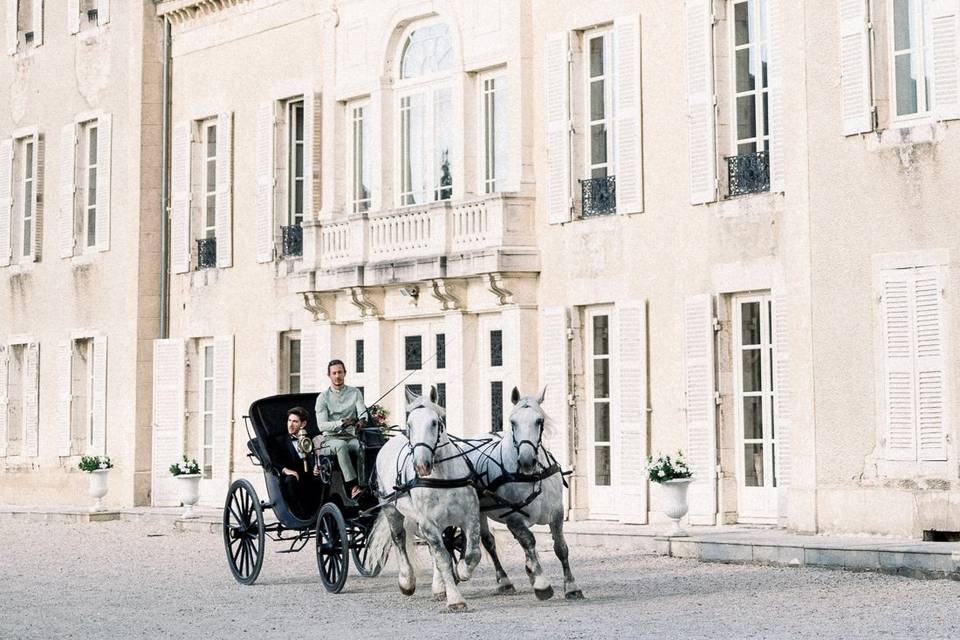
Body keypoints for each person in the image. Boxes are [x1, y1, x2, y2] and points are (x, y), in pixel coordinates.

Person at [313, 359, 367, 499]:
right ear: (329, 375)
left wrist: (362, 420)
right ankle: (353, 487)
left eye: (340, 372)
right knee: (341, 445)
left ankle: (365, 484)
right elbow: (322, 425)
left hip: (351, 437)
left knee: (362, 447)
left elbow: (362, 411)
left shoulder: (355, 393)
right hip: (330, 440)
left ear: (345, 373)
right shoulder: (322, 398)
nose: (337, 376)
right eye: (334, 373)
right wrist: (342, 423)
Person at [275, 406, 320, 517]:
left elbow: (316, 456)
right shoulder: (280, 441)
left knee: (324, 479)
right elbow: (273, 460)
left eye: (295, 421)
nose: (290, 424)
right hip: (292, 478)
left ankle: (321, 513)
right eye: (289, 420)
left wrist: (317, 466)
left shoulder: (310, 439)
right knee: (291, 480)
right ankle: (301, 515)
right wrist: (285, 470)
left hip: (309, 476)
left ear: (303, 424)